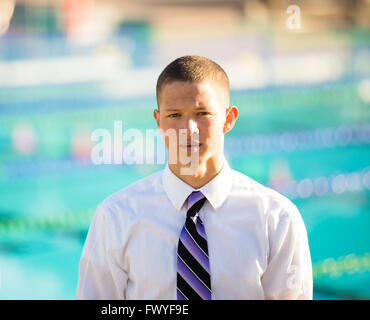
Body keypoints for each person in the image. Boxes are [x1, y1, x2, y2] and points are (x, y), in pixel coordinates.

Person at [76, 55, 312, 300]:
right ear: (158, 121)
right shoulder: (116, 217)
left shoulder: (277, 219)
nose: (189, 130)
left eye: (202, 113)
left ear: (228, 118)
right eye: (174, 115)